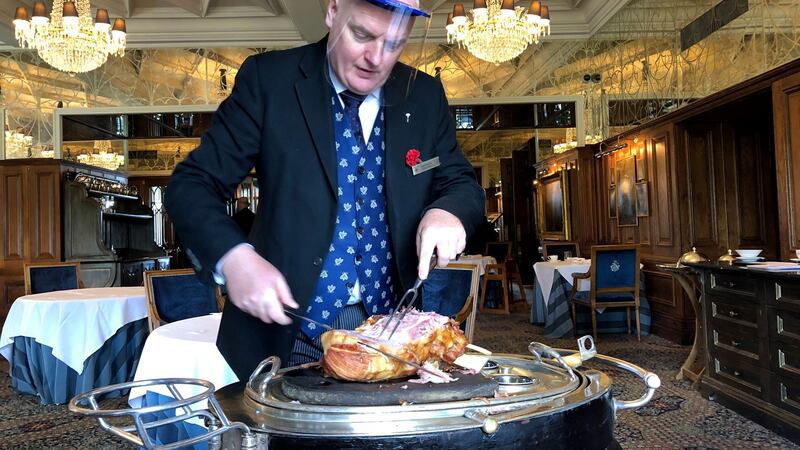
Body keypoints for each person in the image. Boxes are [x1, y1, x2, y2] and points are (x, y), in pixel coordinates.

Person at [165, 0, 485, 380]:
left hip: (388, 332)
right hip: (286, 329)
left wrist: (447, 211)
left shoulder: (424, 95)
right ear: (333, 11)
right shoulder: (270, 80)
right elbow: (192, 184)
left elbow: (459, 181)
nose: (377, 58)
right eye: (362, 35)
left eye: (395, 43)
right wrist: (234, 258)